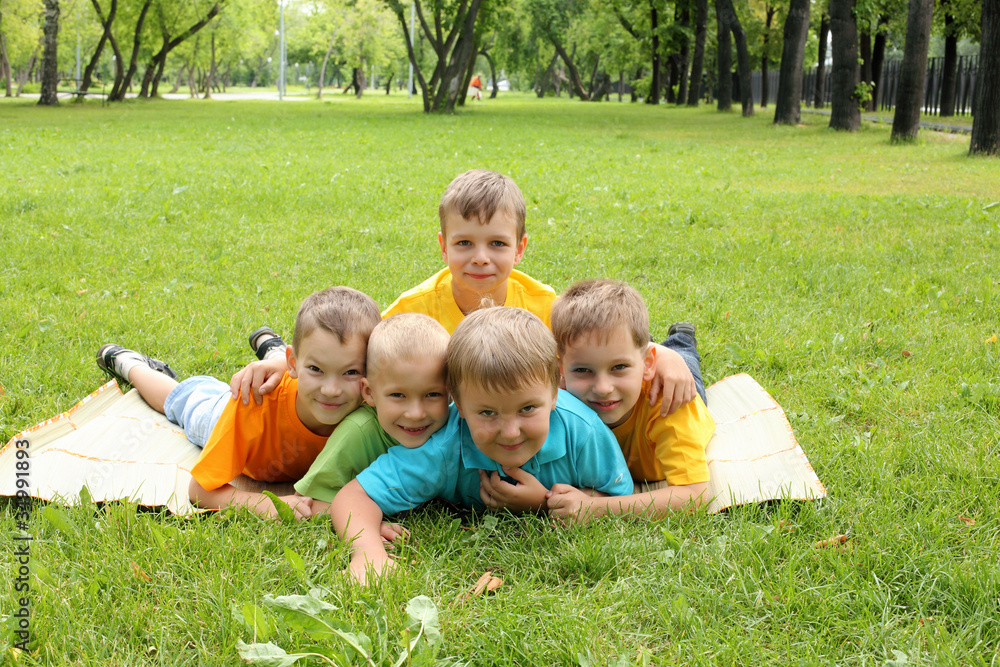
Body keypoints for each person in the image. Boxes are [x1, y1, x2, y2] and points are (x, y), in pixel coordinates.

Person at [231, 169, 698, 415]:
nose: (480, 257)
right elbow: (350, 351)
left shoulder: (543, 304)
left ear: (520, 248)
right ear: (442, 245)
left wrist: (663, 353)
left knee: (684, 383)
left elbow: (599, 341)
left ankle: (682, 343)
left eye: (497, 243)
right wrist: (279, 360)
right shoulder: (414, 309)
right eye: (464, 243)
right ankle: (270, 342)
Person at [330, 307, 633, 584]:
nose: (511, 432)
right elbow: (355, 497)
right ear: (457, 403)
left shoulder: (582, 431)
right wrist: (368, 552)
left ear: (555, 392)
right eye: (488, 413)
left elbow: (619, 495)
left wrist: (556, 503)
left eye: (528, 408)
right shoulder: (445, 447)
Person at [96, 286, 380, 519]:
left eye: (351, 372)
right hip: (219, 411)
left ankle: (271, 349)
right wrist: (269, 504)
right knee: (179, 399)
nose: (331, 390)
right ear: (292, 364)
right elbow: (200, 491)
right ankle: (131, 365)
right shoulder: (254, 403)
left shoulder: (374, 409)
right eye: (316, 369)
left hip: (285, 373)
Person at [543, 279, 715, 522]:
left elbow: (695, 496)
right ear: (561, 370)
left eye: (619, 367)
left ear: (648, 364)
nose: (603, 388)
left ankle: (682, 340)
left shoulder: (669, 405)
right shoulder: (558, 400)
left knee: (685, 363)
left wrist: (595, 508)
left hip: (676, 387)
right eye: (582, 370)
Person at [294, 313, 451, 511]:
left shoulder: (457, 423)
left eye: (432, 394)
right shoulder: (357, 433)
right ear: (369, 393)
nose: (415, 414)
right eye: (398, 395)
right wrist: (366, 519)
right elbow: (308, 502)